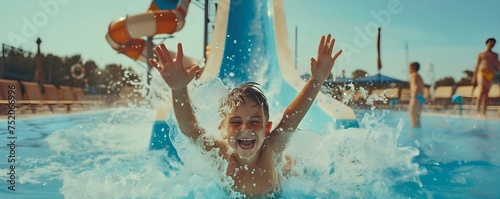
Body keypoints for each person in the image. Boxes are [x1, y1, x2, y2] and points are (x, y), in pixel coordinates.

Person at [149, 34, 342, 197]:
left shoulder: (271, 151)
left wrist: (316, 80)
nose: (246, 128)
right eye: (235, 121)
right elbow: (191, 130)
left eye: (255, 121)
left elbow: (290, 118)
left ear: (267, 129)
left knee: (293, 168)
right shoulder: (221, 156)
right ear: (222, 130)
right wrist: (179, 88)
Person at [472, 38, 500, 117]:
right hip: (481, 73)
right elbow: (477, 66)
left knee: (486, 94)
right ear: (487, 43)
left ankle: (484, 112)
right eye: (491, 43)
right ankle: (477, 111)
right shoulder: (481, 54)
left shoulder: (495, 55)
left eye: (494, 44)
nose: (492, 45)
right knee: (481, 91)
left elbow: (497, 66)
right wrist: (474, 77)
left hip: (490, 74)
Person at [409, 62, 425, 128]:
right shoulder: (420, 76)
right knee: (417, 119)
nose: (408, 70)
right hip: (420, 97)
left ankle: (413, 136)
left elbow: (415, 87)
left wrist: (414, 98)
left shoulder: (413, 75)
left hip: (415, 97)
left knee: (413, 117)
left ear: (413, 68)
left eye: (409, 68)